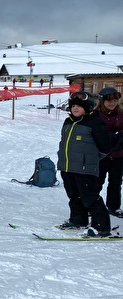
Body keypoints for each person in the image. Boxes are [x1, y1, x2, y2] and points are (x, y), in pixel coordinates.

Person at [57, 91, 112, 237]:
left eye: (79, 106)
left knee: (90, 197)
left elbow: (105, 147)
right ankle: (78, 220)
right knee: (74, 196)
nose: (75, 109)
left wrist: (90, 160)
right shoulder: (68, 121)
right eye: (73, 106)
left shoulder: (94, 122)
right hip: (68, 166)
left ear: (87, 107)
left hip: (85, 169)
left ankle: (101, 226)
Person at [96, 87, 123, 215]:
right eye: (108, 101)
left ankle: (114, 206)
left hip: (118, 155)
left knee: (116, 182)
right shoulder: (96, 115)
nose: (112, 103)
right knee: (97, 181)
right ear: (102, 102)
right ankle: (92, 205)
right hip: (101, 155)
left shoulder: (121, 114)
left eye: (114, 100)